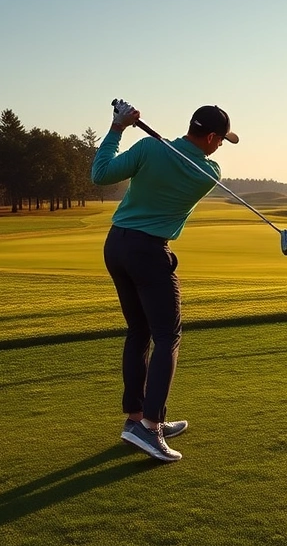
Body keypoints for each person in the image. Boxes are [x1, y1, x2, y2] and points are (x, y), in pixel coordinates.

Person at [91, 100, 239, 462]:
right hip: (149, 252)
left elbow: (101, 173)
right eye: (220, 140)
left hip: (117, 245)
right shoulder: (209, 172)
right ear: (209, 137)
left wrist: (117, 127)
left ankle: (136, 418)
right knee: (167, 336)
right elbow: (192, 159)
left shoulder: (149, 148)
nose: (221, 147)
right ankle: (151, 427)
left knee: (139, 333)